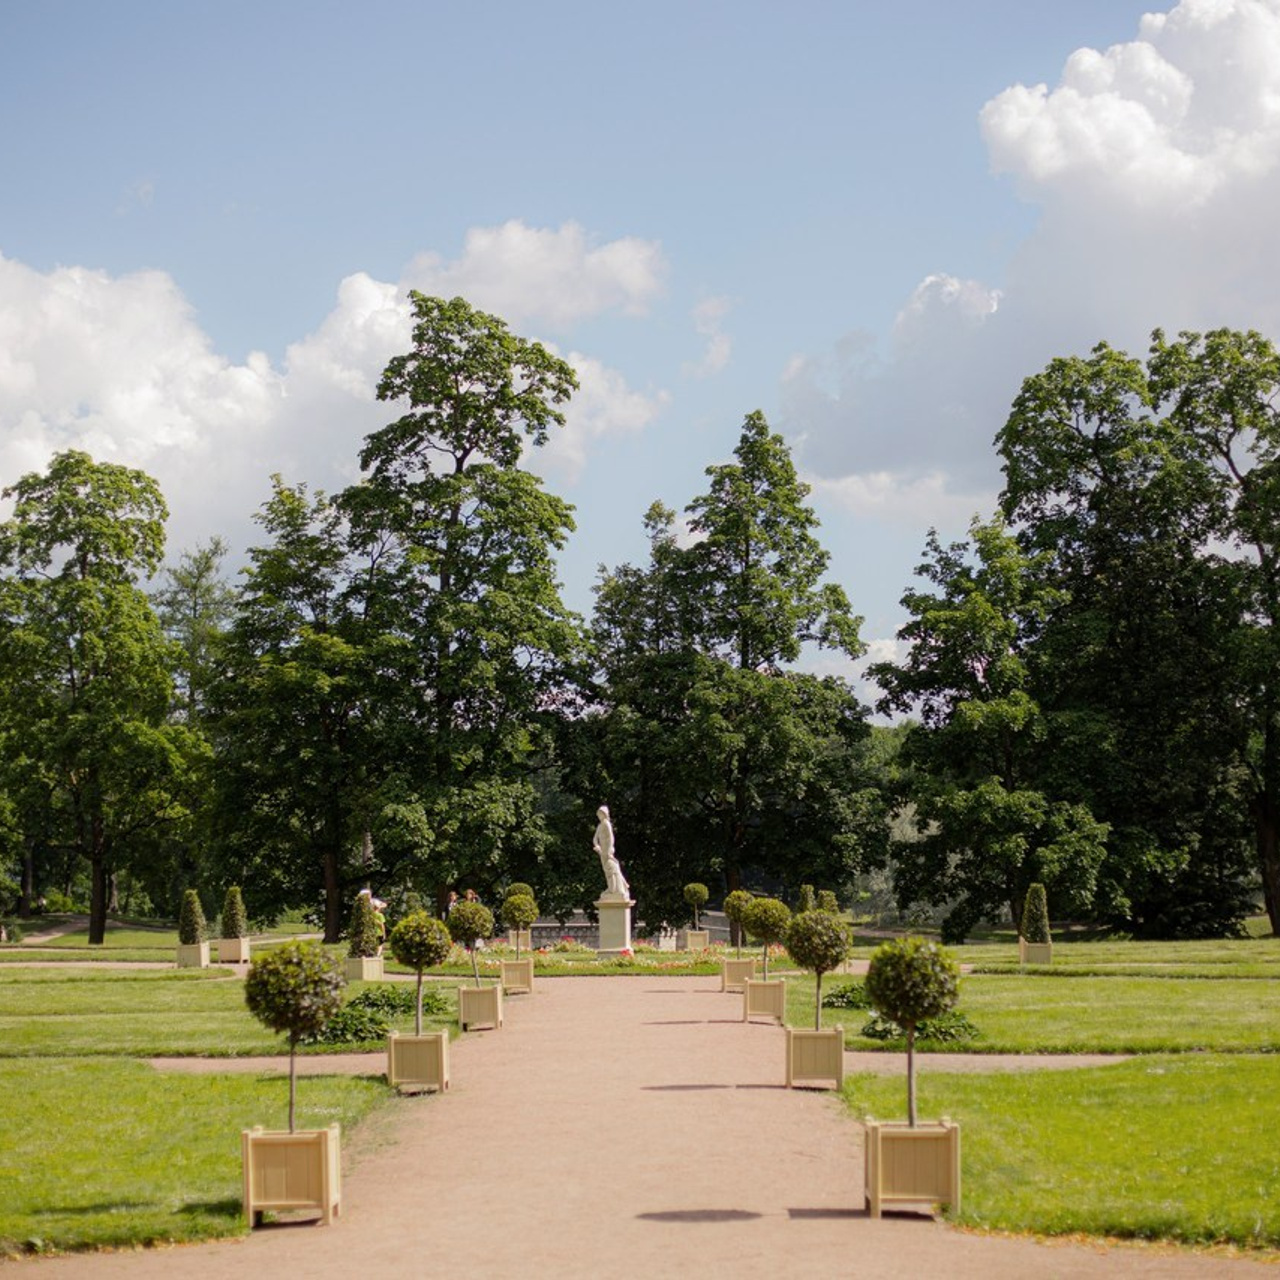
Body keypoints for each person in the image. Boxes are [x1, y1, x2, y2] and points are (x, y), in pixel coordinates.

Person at [593, 804, 629, 898]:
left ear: (604, 814)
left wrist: (609, 849)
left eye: (600, 814)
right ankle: (613, 887)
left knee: (611, 867)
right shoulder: (600, 825)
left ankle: (615, 888)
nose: (599, 816)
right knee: (606, 869)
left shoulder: (606, 823)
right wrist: (597, 846)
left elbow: (611, 837)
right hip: (602, 851)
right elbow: (595, 838)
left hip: (608, 849)